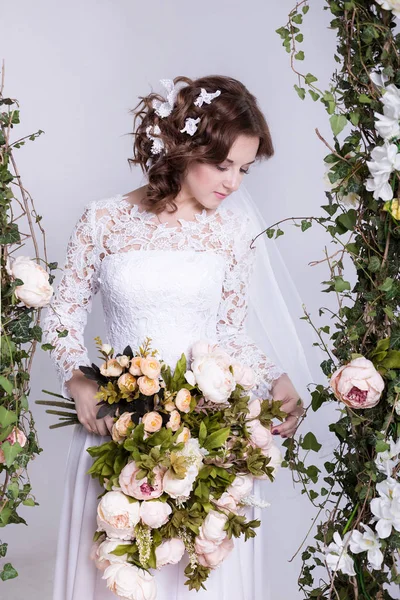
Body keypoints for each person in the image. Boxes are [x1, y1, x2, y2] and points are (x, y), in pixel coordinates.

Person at [41, 74, 305, 600]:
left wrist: (277, 380)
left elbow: (228, 330)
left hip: (205, 435)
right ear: (185, 147)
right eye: (223, 164)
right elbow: (60, 316)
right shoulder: (104, 220)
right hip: (117, 430)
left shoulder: (230, 232)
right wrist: (78, 380)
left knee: (196, 579)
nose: (233, 183)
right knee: (119, 574)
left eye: (244, 170)